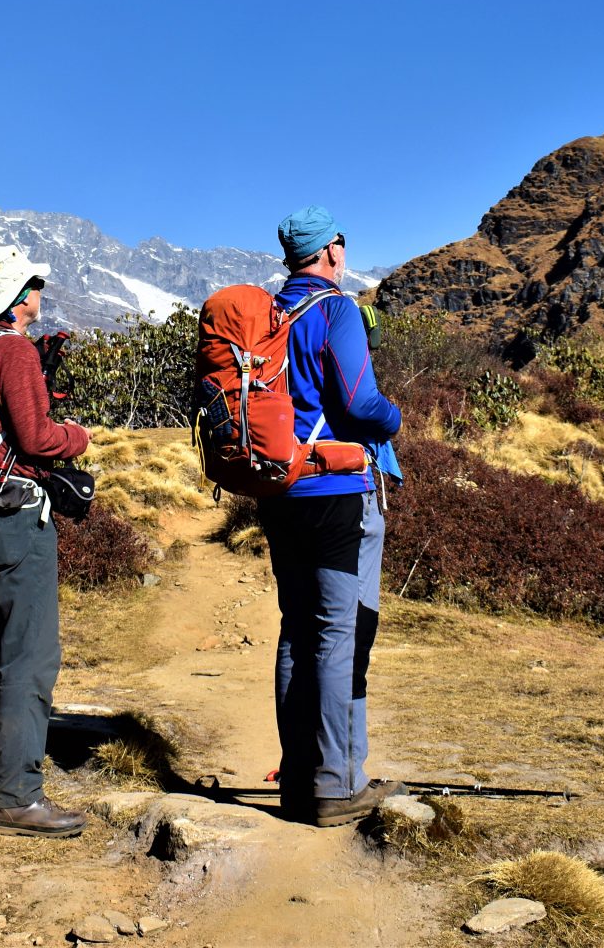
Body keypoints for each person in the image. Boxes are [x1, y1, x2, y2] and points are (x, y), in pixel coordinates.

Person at [260, 205, 404, 826]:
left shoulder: (267, 316)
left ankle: (299, 776)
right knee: (342, 633)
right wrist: (395, 419)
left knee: (298, 628)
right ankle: (336, 783)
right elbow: (359, 402)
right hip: (338, 490)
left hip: (278, 489)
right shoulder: (335, 310)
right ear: (332, 251)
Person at [0, 243, 92, 837]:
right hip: (17, 516)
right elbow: (36, 439)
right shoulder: (12, 350)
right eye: (33, 284)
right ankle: (16, 798)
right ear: (18, 296)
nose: (40, 293)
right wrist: (78, 436)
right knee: (31, 657)